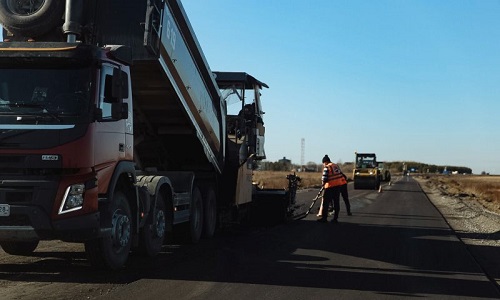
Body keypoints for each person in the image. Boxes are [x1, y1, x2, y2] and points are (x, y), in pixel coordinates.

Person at [318, 154, 348, 223]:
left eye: (323, 163)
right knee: (336, 202)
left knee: (326, 203)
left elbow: (324, 178)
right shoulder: (336, 166)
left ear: (325, 162)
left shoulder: (327, 167)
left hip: (330, 187)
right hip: (338, 187)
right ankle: (335, 218)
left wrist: (323, 184)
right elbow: (341, 175)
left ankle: (324, 218)